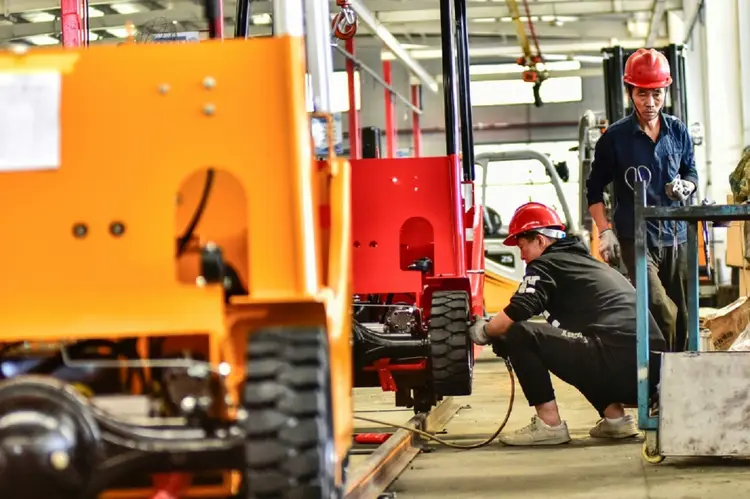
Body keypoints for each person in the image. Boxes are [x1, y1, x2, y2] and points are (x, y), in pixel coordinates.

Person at [469, 202, 666, 446]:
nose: (522, 255)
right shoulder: (582, 263)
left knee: (518, 333)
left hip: (619, 361)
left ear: (540, 241)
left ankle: (549, 424)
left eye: (523, 246)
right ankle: (616, 421)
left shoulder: (546, 264)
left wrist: (484, 331)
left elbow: (518, 310)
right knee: (580, 341)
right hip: (649, 374)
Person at [585, 47, 699, 352]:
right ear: (629, 93)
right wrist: (604, 230)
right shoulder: (614, 138)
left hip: (676, 238)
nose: (650, 103)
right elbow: (594, 189)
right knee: (662, 311)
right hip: (636, 239)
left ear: (666, 91)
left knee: (685, 316)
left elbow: (692, 172)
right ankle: (661, 379)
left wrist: (686, 186)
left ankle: (678, 378)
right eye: (642, 94)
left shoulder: (678, 132)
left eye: (657, 94)